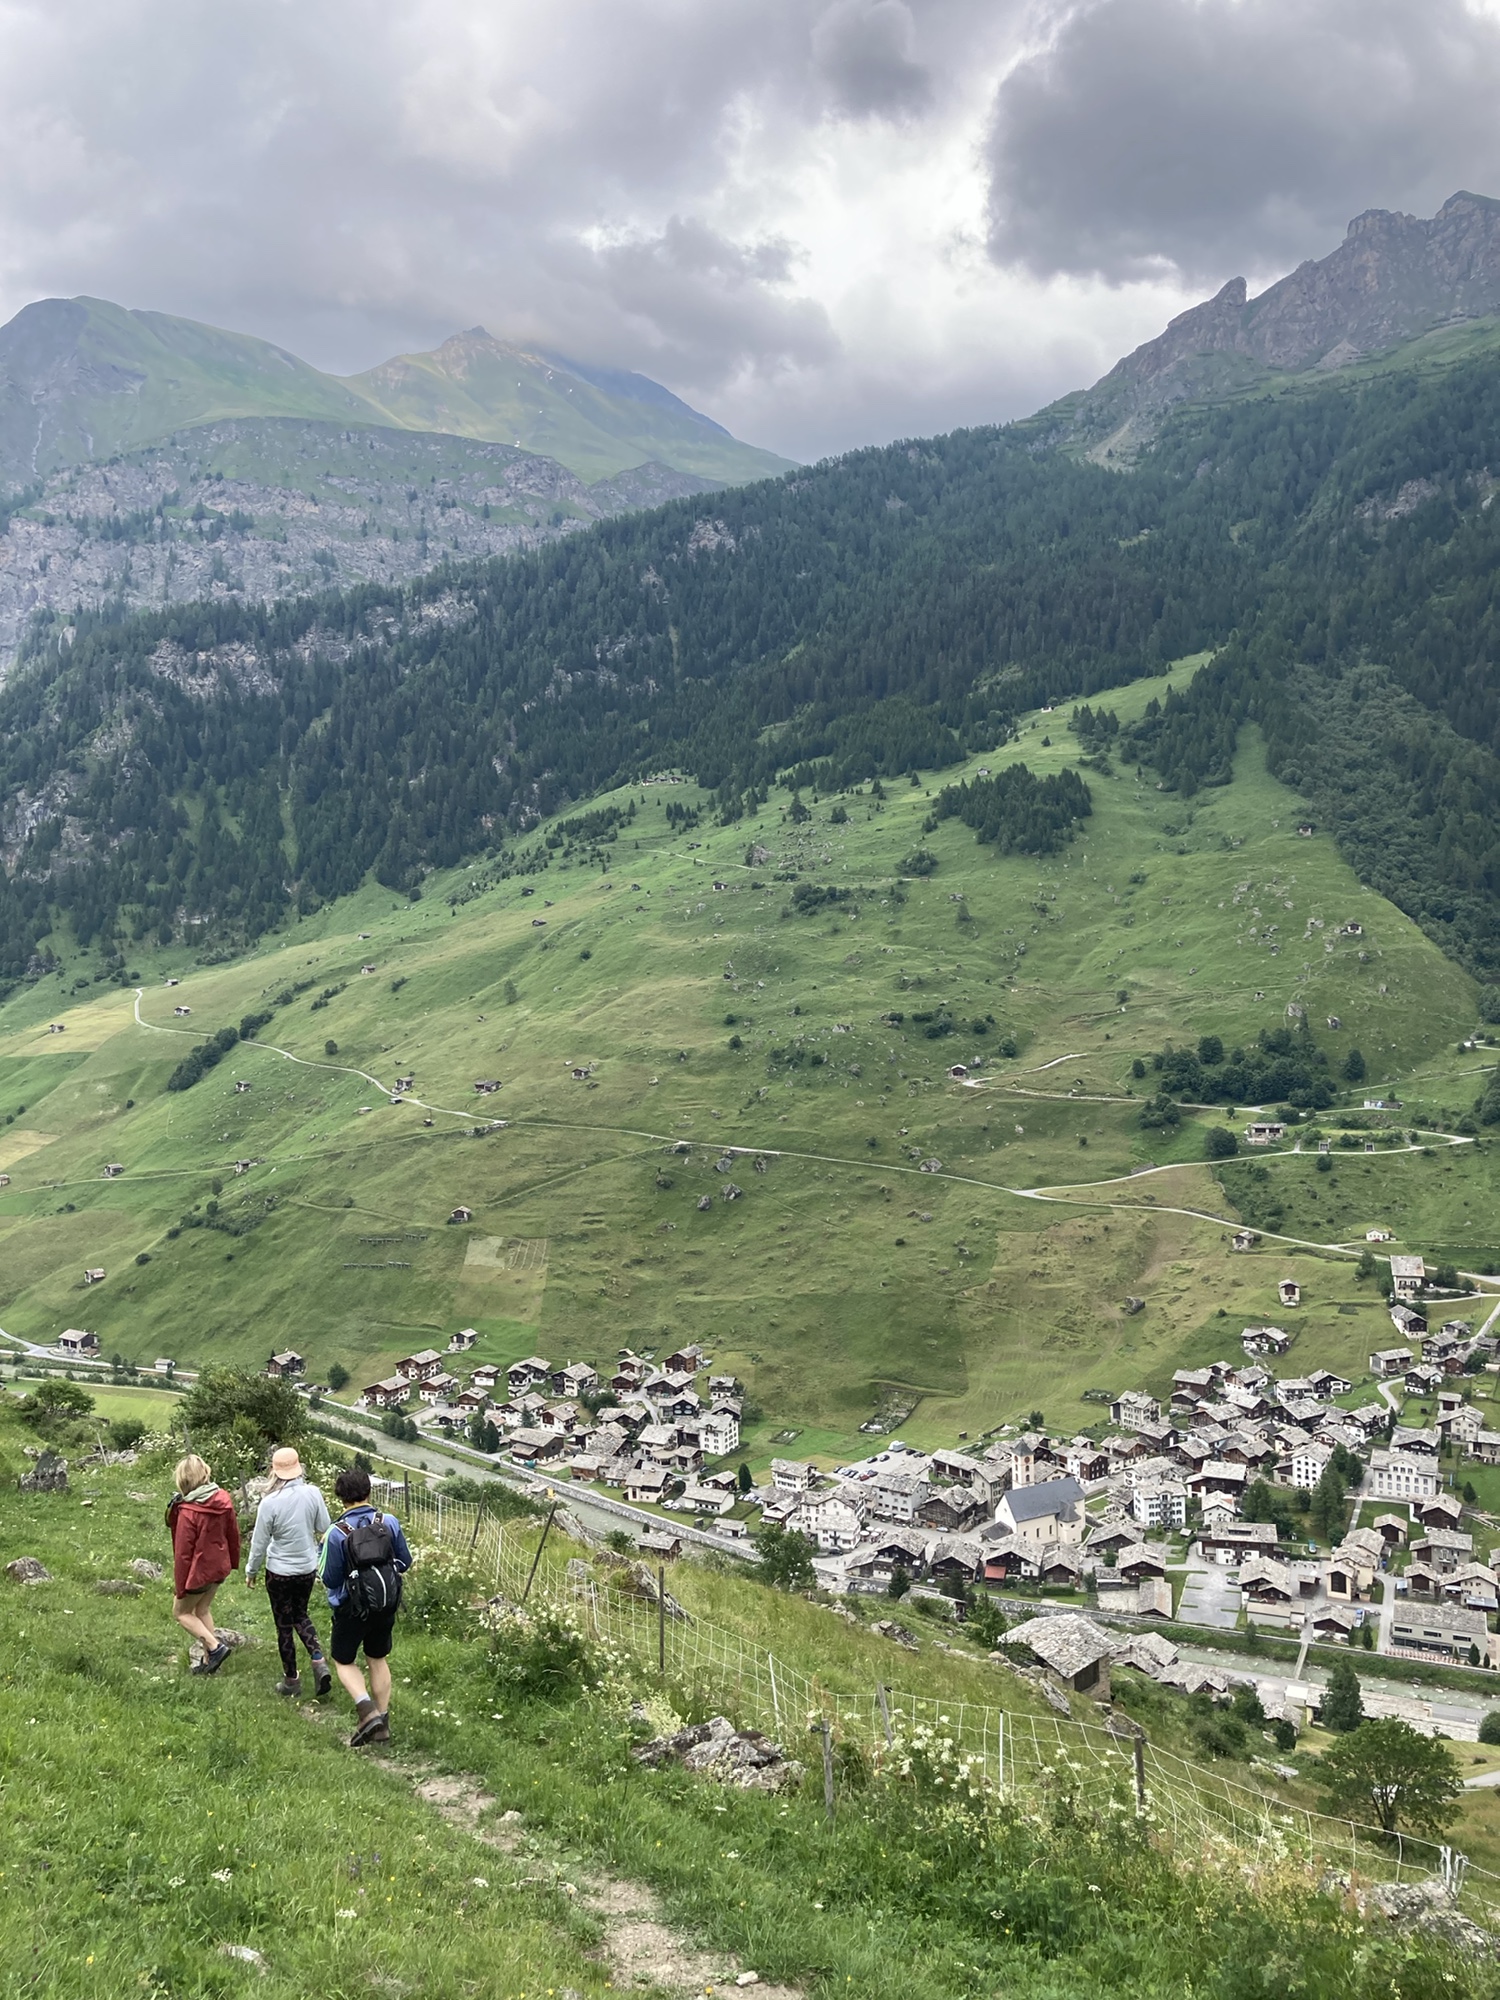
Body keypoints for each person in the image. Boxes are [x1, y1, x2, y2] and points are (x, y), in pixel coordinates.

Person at [317, 1465, 412, 1745]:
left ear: (341, 1497)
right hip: (385, 1603)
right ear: (369, 1491)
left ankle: (366, 1710)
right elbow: (404, 1561)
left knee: (344, 1660)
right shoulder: (389, 1522)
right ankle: (382, 1722)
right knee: (377, 1658)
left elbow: (329, 1577)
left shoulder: (336, 1533)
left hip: (351, 1608)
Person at [246, 1445, 333, 1697]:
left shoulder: (269, 1502)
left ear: (274, 1471)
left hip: (279, 1571)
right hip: (307, 1567)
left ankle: (291, 1681)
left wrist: (251, 1570)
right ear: (298, 1468)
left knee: (284, 1625)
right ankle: (318, 1659)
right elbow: (324, 1526)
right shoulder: (313, 1493)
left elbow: (260, 1542)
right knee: (301, 1614)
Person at [165, 1453, 241, 1674]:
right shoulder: (223, 1500)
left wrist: (181, 1587)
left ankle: (215, 1648)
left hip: (199, 1572)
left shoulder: (188, 1512)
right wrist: (232, 1562)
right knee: (202, 1609)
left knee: (181, 1613)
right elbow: (233, 1534)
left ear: (182, 1480)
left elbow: (183, 1554)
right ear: (205, 1473)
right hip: (219, 1567)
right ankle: (210, 1663)